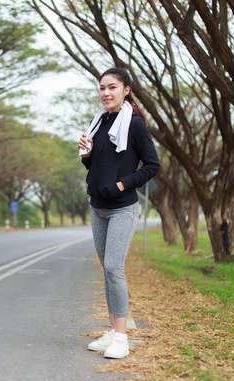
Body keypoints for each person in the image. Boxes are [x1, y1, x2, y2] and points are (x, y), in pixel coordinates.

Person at [78, 68, 159, 359]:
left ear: (126, 89)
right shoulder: (100, 122)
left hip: (122, 207)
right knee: (107, 271)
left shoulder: (135, 124)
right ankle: (112, 331)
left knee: (114, 268)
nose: (105, 93)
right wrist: (87, 156)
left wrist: (123, 184)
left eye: (112, 87)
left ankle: (122, 338)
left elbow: (152, 166)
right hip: (97, 206)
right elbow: (96, 167)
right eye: (101, 88)